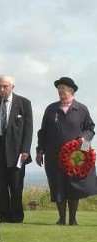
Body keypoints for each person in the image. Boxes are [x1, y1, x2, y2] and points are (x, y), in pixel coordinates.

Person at [36, 77, 97, 225]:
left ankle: (73, 218)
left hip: (75, 157)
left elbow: (90, 129)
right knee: (58, 185)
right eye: (59, 89)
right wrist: (40, 151)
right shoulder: (51, 109)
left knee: (73, 186)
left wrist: (84, 145)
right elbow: (42, 132)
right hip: (53, 155)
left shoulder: (81, 109)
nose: (60, 91)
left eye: (63, 88)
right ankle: (61, 218)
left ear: (71, 90)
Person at [0, 75, 33, 223]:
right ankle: (4, 216)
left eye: (5, 86)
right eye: (0, 86)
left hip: (17, 153)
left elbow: (28, 129)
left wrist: (25, 149)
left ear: (12, 87)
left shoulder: (24, 103)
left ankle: (16, 217)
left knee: (16, 186)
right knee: (0, 187)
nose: (2, 89)